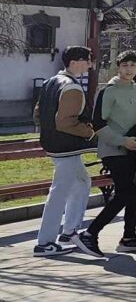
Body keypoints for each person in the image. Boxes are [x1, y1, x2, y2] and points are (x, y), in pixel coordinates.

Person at [33, 46, 101, 259]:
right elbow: (65, 122)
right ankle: (45, 242)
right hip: (66, 147)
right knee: (59, 192)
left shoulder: (50, 82)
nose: (90, 65)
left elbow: (37, 113)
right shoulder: (71, 87)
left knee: (82, 182)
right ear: (75, 62)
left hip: (54, 144)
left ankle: (69, 231)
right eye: (87, 61)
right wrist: (90, 133)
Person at [80, 50, 136, 256]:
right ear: (118, 67)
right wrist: (122, 141)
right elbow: (98, 124)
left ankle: (129, 237)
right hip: (113, 150)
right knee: (125, 193)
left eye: (133, 65)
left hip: (133, 149)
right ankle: (90, 233)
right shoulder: (108, 91)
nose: (129, 69)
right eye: (124, 65)